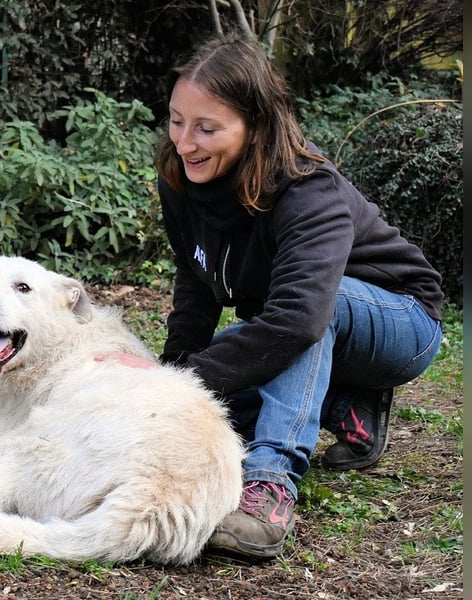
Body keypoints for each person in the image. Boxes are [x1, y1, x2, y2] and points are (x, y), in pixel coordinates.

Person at [153, 33, 444, 559]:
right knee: (225, 392)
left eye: (207, 128)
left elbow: (298, 321)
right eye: (176, 120)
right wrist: (167, 381)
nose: (185, 142)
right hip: (304, 321)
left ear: (255, 126)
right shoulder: (182, 178)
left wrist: (183, 381)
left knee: (302, 317)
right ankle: (345, 404)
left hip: (403, 320)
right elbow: (195, 283)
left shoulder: (309, 190)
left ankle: (269, 485)